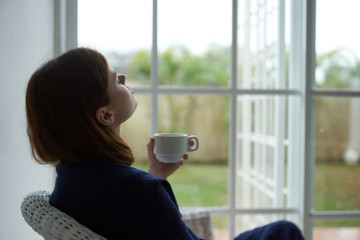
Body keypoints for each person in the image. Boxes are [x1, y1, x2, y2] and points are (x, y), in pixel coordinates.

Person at [25, 47, 304, 240]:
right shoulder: (143, 192)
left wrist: (155, 176)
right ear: (106, 115)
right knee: (285, 231)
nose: (123, 77)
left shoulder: (69, 181)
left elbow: (124, 216)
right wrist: (152, 185)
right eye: (114, 79)